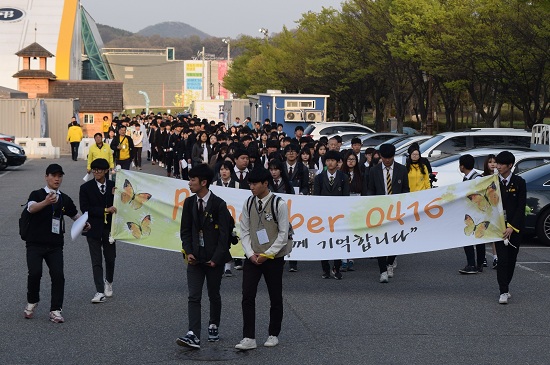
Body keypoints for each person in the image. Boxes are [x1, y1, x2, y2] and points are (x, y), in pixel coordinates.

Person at [23, 164, 88, 323]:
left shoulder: (64, 198)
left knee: (58, 276)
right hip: (35, 244)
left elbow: (75, 215)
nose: (57, 179)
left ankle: (55, 310)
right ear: (46, 177)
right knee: (35, 273)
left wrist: (84, 222)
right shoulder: (37, 194)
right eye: (53, 175)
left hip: (55, 245)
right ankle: (32, 301)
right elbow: (30, 208)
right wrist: (45, 202)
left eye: (59, 176)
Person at [235, 167, 291, 351]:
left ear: (265, 184)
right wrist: (250, 254)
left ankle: (273, 333)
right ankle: (248, 337)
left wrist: (267, 255)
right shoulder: (249, 202)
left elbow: (283, 234)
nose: (251, 186)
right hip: (253, 257)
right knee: (247, 295)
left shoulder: (279, 204)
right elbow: (244, 230)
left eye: (254, 183)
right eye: (249, 183)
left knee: (275, 296)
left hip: (273, 258)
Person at [177, 164, 232, 349]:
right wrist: (188, 251)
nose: (189, 183)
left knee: (214, 294)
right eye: (190, 179)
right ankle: (193, 334)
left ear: (204, 182)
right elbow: (185, 231)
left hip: (214, 260)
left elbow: (225, 236)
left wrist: (216, 259)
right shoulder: (189, 203)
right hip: (195, 259)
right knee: (193, 296)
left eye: (193, 179)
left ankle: (213, 324)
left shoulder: (219, 204)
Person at [367, 143, 409, 283]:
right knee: (380, 240)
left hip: (397, 210)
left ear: (393, 156)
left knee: (396, 239)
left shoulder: (402, 170)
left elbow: (405, 190)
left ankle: (390, 263)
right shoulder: (374, 171)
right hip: (379, 210)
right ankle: (382, 271)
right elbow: (370, 190)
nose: (387, 161)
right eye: (384, 158)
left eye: (389, 158)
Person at [79, 158, 117, 304]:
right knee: (96, 260)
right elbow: (85, 209)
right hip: (93, 228)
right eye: (94, 169)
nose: (96, 172)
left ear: (106, 171)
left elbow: (121, 204)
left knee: (110, 257)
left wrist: (116, 195)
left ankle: (109, 281)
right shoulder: (86, 188)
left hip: (110, 228)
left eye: (99, 170)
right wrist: (104, 210)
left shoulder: (114, 186)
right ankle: (99, 290)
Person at [495, 151, 526, 304]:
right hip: (498, 228)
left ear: (510, 165)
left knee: (512, 260)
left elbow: (521, 208)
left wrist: (512, 227)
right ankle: (503, 290)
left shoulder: (520, 182)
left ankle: (506, 285)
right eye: (497, 163)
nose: (498, 166)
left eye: (501, 164)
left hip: (515, 229)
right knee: (502, 260)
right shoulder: (492, 182)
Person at [314, 150, 350, 279]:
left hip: (338, 216)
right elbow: (316, 198)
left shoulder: (343, 177)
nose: (330, 163)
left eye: (333, 160)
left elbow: (346, 197)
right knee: (323, 241)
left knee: (337, 242)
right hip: (323, 216)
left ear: (338, 162)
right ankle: (325, 269)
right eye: (328, 160)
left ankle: (337, 267)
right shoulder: (319, 177)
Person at [457, 154, 485, 274]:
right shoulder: (471, 177)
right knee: (477, 238)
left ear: (462, 166)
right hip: (473, 212)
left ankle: (472, 264)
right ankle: (478, 264)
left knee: (468, 237)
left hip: (476, 213)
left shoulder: (476, 178)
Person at [483, 154, 499, 269]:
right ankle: (482, 257)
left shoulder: (499, 176)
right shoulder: (482, 177)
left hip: (496, 208)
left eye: (494, 162)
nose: (492, 164)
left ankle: (495, 257)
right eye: (490, 162)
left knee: (494, 234)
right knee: (483, 233)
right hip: (484, 208)